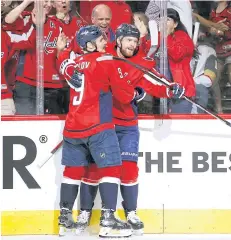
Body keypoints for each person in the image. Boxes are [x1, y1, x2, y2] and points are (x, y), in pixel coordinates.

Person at [74, 24, 185, 236]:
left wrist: (172, 90)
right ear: (119, 40)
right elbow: (81, 65)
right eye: (128, 40)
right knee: (94, 168)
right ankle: (85, 212)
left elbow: (158, 83)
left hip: (126, 125)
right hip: (101, 123)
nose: (132, 45)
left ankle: (131, 212)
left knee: (128, 168)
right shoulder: (104, 57)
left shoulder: (141, 63)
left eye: (135, 41)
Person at [56, 25, 147, 238]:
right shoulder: (106, 61)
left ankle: (66, 221)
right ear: (90, 44)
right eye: (101, 39)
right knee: (113, 168)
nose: (106, 42)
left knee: (72, 173)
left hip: (72, 128)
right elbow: (124, 95)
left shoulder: (73, 63)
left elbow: (63, 65)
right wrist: (137, 93)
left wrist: (60, 53)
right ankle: (108, 219)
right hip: (98, 127)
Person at [166, 8, 195, 113]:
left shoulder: (182, 36)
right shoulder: (161, 37)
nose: (163, 23)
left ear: (175, 24)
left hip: (181, 91)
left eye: (167, 19)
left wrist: (166, 37)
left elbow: (177, 55)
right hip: (164, 91)